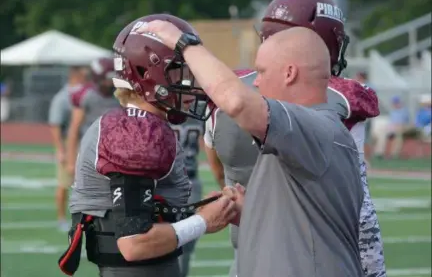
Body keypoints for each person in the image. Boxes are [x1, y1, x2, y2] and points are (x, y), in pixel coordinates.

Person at [138, 18, 364, 277]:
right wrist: (251, 211)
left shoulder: (315, 126)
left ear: (289, 73)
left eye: (262, 72)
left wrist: (184, 43)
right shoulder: (305, 136)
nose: (255, 83)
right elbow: (309, 227)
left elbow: (236, 102)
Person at [205, 0, 385, 277]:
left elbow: (216, 164)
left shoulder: (225, 95)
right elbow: (359, 213)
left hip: (247, 256)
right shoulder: (341, 100)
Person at [58, 14, 236, 277]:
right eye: (181, 71)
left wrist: (197, 208)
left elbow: (149, 210)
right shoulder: (137, 131)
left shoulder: (136, 123)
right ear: (148, 73)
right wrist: (203, 222)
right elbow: (134, 243)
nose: (190, 80)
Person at [48, 66, 88, 232]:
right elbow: (55, 125)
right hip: (69, 141)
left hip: (85, 141)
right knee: (64, 183)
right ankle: (61, 218)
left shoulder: (88, 94)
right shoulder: (62, 98)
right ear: (76, 76)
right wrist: (60, 150)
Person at [66, 57, 120, 176]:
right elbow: (74, 129)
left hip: (114, 152)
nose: (110, 83)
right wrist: (71, 161)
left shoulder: (121, 95)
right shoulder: (86, 95)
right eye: (107, 79)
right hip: (90, 150)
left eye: (112, 79)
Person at [171, 116, 206, 277]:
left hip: (171, 183)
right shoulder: (198, 116)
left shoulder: (160, 112)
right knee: (183, 244)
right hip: (186, 181)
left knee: (181, 242)